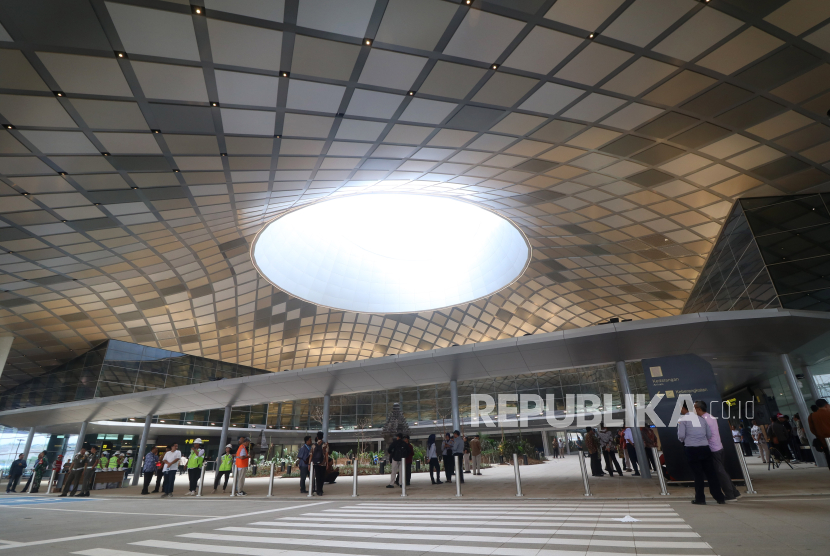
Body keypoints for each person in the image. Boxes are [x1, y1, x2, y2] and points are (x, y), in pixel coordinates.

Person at [678, 403, 724, 505]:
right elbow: (709, 434)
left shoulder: (683, 419)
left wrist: (686, 440)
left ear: (685, 408)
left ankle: (700, 499)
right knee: (711, 474)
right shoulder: (702, 419)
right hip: (705, 448)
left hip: (691, 449)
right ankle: (719, 497)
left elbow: (681, 435)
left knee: (698, 475)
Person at [695, 401, 740, 501]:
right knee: (722, 471)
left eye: (694, 408)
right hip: (719, 447)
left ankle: (730, 495)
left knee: (720, 472)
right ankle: (734, 492)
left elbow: (707, 435)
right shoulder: (710, 417)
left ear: (698, 409)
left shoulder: (704, 420)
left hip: (713, 449)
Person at [808, 399, 830, 468]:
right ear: (826, 405)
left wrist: (820, 435)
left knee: (828, 456)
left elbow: (812, 430)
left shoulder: (812, 416)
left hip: (823, 441)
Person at [310, 431, 327, 496]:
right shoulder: (325, 445)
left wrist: (309, 464)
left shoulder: (313, 445)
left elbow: (311, 455)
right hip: (323, 463)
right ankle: (320, 490)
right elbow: (326, 455)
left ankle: (318, 490)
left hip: (315, 463)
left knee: (317, 476)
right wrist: (327, 463)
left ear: (317, 437)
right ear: (322, 437)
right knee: (322, 477)